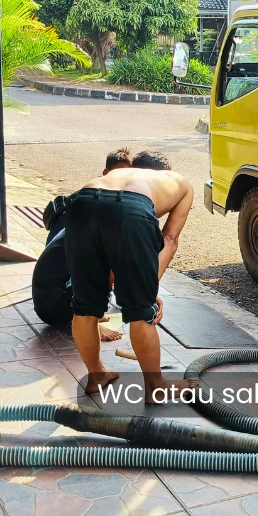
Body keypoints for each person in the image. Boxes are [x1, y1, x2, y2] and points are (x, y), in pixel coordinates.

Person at [66, 151, 197, 401]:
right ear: (163, 171)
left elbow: (110, 236)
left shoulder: (118, 174)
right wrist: (148, 290)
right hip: (131, 210)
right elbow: (168, 239)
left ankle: (96, 376)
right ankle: (156, 387)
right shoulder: (181, 184)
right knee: (140, 311)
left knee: (84, 307)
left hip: (81, 204)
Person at [32, 148, 133, 341]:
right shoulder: (100, 210)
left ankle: (86, 314)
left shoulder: (91, 203)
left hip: (51, 300)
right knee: (104, 268)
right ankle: (87, 320)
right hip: (52, 308)